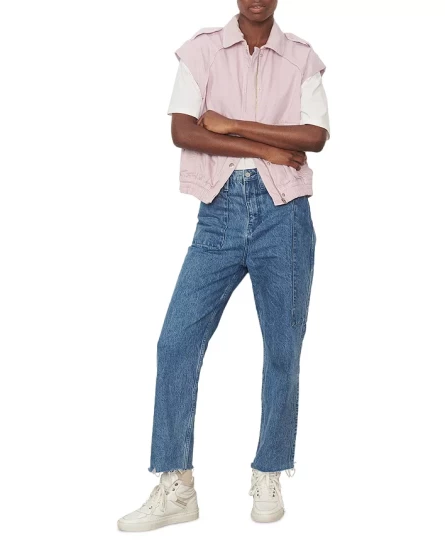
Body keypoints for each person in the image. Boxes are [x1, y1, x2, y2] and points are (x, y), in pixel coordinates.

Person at [118, 0, 330, 531]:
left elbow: (315, 137)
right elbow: (184, 131)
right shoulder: (202, 51)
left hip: (285, 213)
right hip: (219, 210)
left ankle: (269, 469)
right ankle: (176, 485)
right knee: (176, 342)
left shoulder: (302, 58)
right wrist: (270, 146)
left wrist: (236, 127)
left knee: (282, 349)